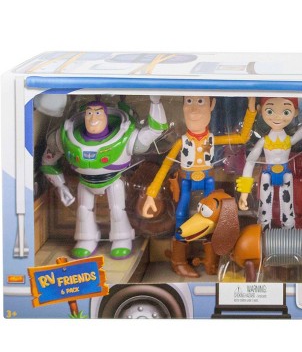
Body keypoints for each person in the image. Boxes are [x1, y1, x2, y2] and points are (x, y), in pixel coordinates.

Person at [142, 95, 257, 277]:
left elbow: (242, 138)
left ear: (212, 105)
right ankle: (179, 261)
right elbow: (165, 165)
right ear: (182, 107)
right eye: (189, 102)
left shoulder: (212, 139)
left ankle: (212, 260)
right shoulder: (181, 141)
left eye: (200, 102)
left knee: (213, 216)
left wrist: (251, 109)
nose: (194, 109)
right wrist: (152, 193)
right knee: (181, 215)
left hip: (208, 180)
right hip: (186, 180)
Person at [41, 96, 168, 259]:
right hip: (84, 182)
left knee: (117, 210)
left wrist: (155, 102)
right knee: (83, 211)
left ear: (106, 116)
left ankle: (122, 239)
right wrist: (60, 185)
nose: (93, 118)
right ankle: (86, 240)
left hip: (113, 181)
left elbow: (156, 130)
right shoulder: (65, 136)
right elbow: (48, 161)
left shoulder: (125, 136)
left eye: (98, 113)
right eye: (89, 113)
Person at [237, 97, 302, 229]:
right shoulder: (264, 141)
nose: (278, 117)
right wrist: (244, 192)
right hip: (267, 173)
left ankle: (289, 228)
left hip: (285, 173)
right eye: (270, 111)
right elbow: (250, 162)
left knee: (287, 203)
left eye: (285, 112)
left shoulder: (288, 140)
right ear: (260, 110)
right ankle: (263, 228)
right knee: (264, 205)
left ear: (295, 112)